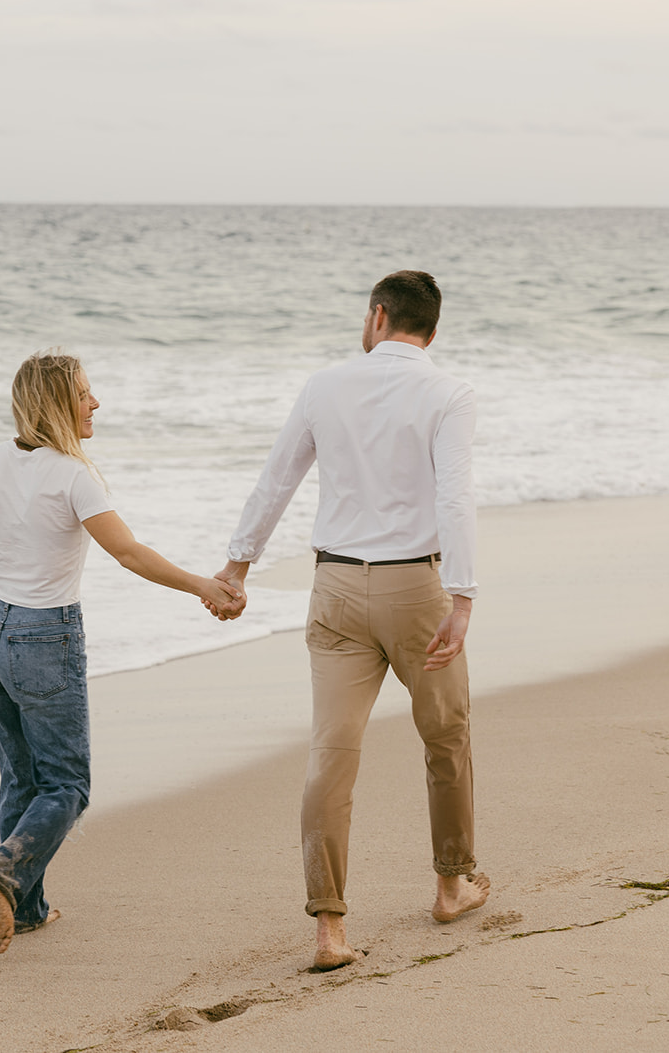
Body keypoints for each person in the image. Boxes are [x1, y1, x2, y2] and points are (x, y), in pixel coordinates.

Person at [0, 350, 243, 955]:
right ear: (56, 403)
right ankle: (4, 871)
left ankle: (27, 909)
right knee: (67, 785)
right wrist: (203, 585)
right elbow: (129, 553)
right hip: (45, 639)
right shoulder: (73, 473)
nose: (96, 403)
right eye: (84, 394)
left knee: (21, 777)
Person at [209, 270, 489, 971]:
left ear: (377, 317)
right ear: (431, 328)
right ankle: (451, 884)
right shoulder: (449, 393)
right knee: (445, 737)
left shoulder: (324, 386)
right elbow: (456, 498)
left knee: (332, 755)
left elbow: (277, 478)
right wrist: (462, 596)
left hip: (333, 586)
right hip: (415, 588)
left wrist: (237, 567)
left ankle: (329, 928)